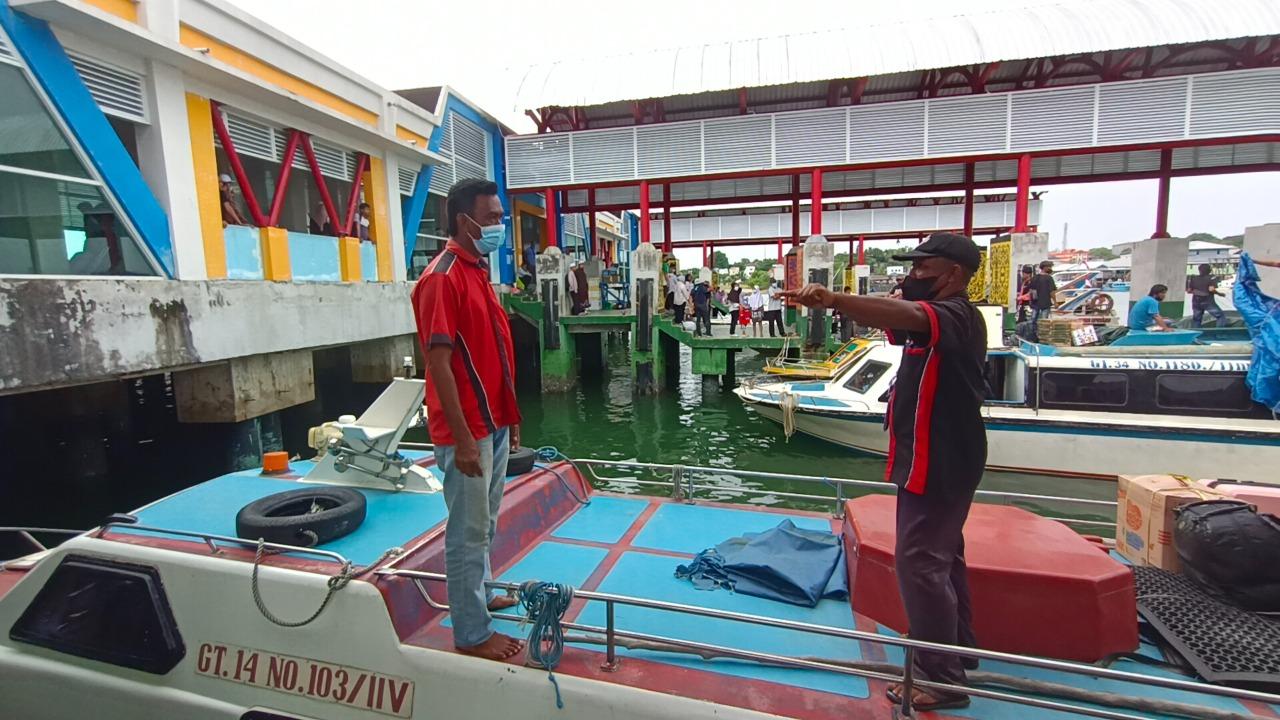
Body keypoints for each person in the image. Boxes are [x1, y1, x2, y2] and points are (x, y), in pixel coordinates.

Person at [783, 232, 987, 712]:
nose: (912, 276)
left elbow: (908, 314)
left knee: (920, 560)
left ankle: (942, 678)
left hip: (942, 457)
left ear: (954, 274)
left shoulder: (955, 315)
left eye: (923, 268)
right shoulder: (932, 319)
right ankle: (960, 647)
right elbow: (891, 314)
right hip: (933, 454)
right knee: (943, 553)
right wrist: (843, 304)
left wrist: (832, 297)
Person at [410, 178, 523, 662]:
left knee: (487, 521)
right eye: (493, 217)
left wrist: (511, 419)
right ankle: (472, 633)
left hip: (493, 422)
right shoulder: (443, 276)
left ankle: (484, 590)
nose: (500, 225)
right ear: (464, 221)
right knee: (466, 530)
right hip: (469, 430)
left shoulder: (478, 270)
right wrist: (462, 440)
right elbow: (438, 362)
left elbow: (493, 351)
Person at [1028, 260, 1057, 325]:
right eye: (1050, 267)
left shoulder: (1034, 278)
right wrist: (1055, 302)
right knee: (1044, 322)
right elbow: (1052, 292)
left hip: (1035, 303)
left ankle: (1032, 333)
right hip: (1045, 303)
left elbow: (1030, 291)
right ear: (1045, 267)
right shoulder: (1049, 278)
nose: (1051, 269)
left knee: (1033, 320)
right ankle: (1042, 334)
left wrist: (1030, 301)